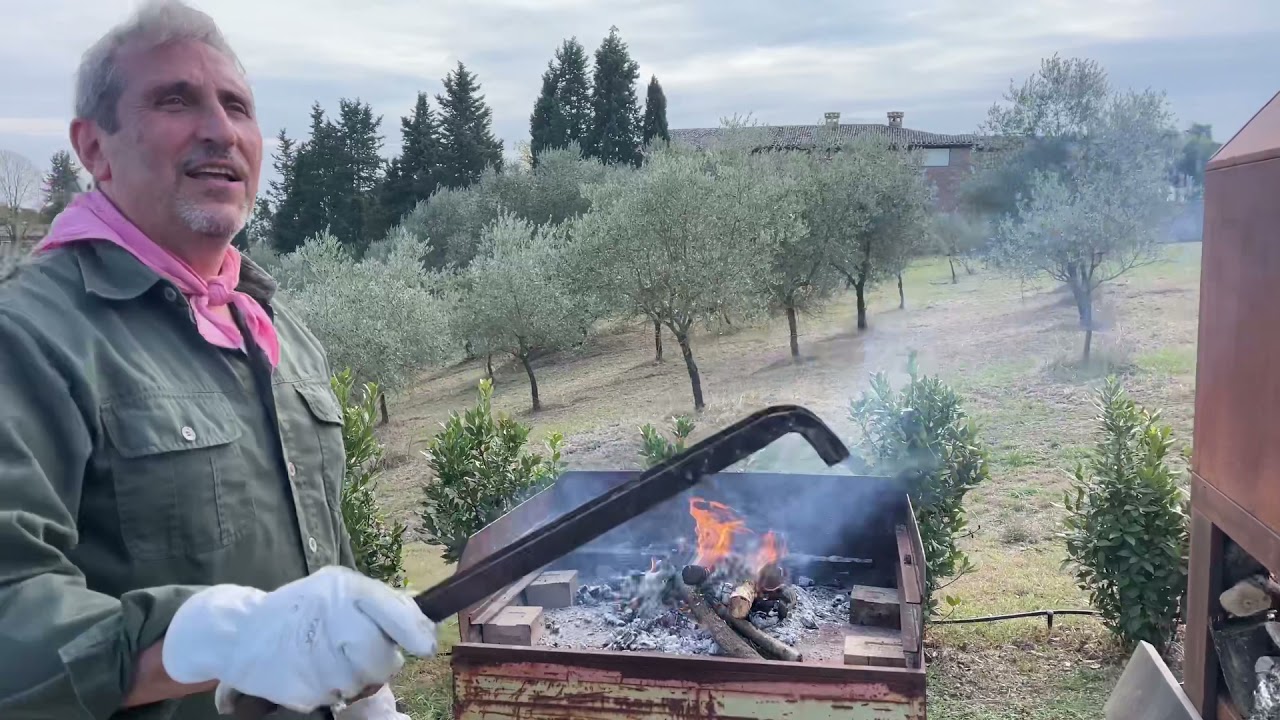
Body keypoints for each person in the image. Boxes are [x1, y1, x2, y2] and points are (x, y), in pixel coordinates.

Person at [0, 1, 437, 718]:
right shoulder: (30, 335)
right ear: (94, 148)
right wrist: (200, 639)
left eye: (238, 106)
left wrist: (367, 694)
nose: (220, 130)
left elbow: (322, 560)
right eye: (176, 100)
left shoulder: (276, 327)